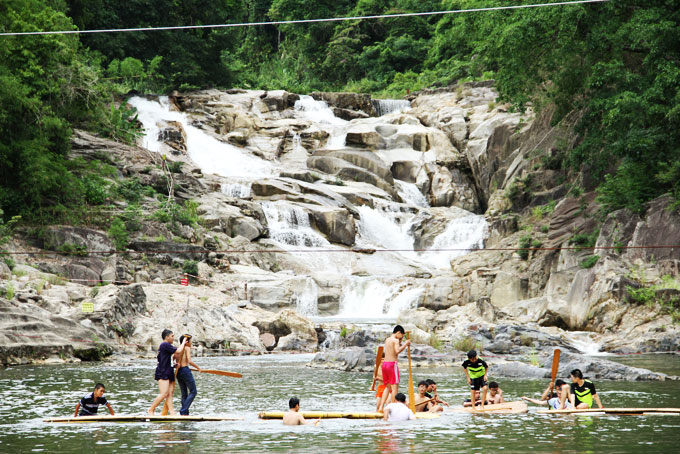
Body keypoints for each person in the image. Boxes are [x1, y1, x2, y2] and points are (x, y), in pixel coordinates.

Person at [148, 329, 187, 415]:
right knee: (164, 393)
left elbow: (165, 359)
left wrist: (174, 364)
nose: (173, 338)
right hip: (163, 372)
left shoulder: (167, 346)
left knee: (170, 393)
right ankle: (151, 409)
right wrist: (183, 342)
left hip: (169, 370)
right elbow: (179, 351)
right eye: (172, 336)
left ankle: (172, 412)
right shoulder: (164, 344)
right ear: (167, 337)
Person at [378, 325, 411, 411]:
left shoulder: (387, 339)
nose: (402, 338)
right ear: (398, 333)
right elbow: (397, 351)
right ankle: (392, 408)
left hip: (385, 364)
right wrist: (406, 344)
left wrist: (400, 341)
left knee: (387, 387)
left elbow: (393, 349)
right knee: (394, 388)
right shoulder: (395, 340)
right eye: (402, 336)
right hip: (392, 365)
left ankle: (381, 407)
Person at [176, 334, 201, 416]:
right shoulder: (187, 348)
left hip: (178, 371)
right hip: (185, 370)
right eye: (190, 341)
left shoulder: (178, 349)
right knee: (193, 391)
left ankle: (184, 413)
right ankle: (183, 410)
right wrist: (198, 368)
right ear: (186, 342)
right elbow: (189, 361)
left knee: (184, 393)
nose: (191, 343)